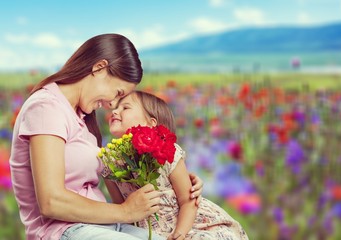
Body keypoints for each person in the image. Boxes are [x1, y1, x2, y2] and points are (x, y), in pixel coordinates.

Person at [9, 33, 203, 240]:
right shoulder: (47, 107)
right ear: (99, 68)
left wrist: (177, 181)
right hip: (63, 231)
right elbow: (51, 201)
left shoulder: (81, 118)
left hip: (105, 226)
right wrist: (126, 211)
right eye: (118, 92)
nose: (112, 104)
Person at [104, 90, 249, 240]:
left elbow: (187, 200)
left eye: (125, 108)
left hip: (190, 225)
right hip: (148, 231)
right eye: (116, 108)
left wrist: (180, 234)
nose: (114, 111)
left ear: (150, 123)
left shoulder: (166, 153)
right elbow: (121, 207)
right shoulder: (110, 162)